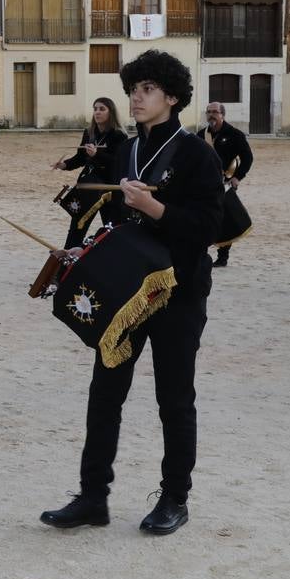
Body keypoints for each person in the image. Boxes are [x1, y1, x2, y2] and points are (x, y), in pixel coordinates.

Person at [40, 50, 223, 537]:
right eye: (133, 89)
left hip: (179, 291)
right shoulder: (126, 150)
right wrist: (88, 255)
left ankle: (174, 498)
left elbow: (210, 226)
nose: (136, 98)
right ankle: (93, 496)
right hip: (127, 291)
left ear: (172, 96)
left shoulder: (196, 153)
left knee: (174, 398)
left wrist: (157, 209)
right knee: (105, 394)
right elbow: (117, 223)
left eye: (146, 89)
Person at [51, 97, 128, 248]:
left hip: (109, 189)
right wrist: (64, 165)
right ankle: (68, 263)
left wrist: (97, 155)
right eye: (95, 109)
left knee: (111, 228)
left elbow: (118, 163)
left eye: (102, 109)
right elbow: (80, 158)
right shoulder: (89, 132)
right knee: (77, 227)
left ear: (110, 112)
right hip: (89, 187)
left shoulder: (119, 136)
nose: (97, 112)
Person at [200, 102, 253, 267]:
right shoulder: (201, 135)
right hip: (203, 185)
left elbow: (248, 158)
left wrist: (237, 177)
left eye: (215, 112)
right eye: (208, 112)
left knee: (226, 219)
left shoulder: (234, 134)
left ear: (222, 114)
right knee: (201, 218)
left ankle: (222, 257)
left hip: (224, 184)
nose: (211, 115)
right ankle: (201, 253)